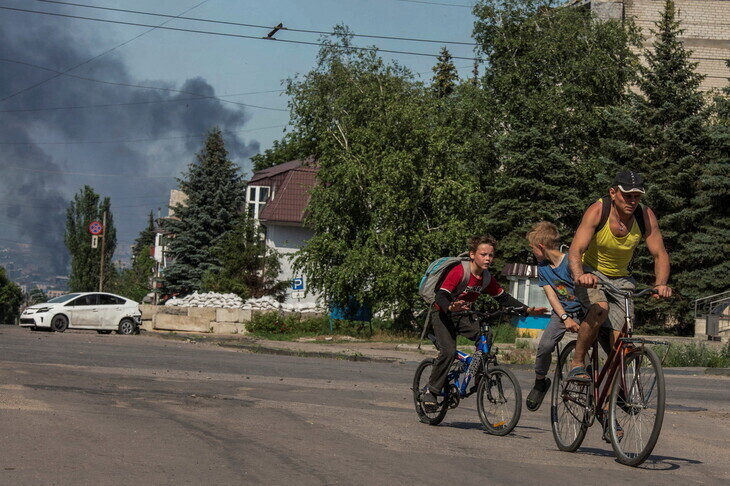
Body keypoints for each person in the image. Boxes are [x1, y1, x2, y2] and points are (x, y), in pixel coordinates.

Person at [567, 170, 672, 383]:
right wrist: (580, 275)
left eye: (637, 196)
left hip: (622, 279)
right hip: (591, 273)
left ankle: (610, 398)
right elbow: (575, 250)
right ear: (613, 193)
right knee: (599, 309)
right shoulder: (598, 211)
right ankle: (577, 363)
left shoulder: (645, 216)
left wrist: (661, 284)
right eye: (627, 195)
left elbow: (660, 254)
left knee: (622, 342)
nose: (632, 201)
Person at [422, 234, 546, 411]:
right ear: (473, 254)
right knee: (448, 351)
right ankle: (431, 392)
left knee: (485, 335)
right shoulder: (459, 271)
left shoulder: (486, 278)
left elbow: (503, 297)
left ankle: (481, 375)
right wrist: (450, 307)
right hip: (443, 313)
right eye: (483, 254)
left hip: (463, 314)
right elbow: (440, 295)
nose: (488, 258)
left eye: (491, 255)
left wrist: (527, 310)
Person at [524, 222, 585, 412]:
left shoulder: (570, 261)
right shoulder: (543, 267)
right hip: (562, 312)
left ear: (541, 247)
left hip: (584, 310)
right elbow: (552, 296)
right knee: (545, 346)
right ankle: (540, 382)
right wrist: (565, 317)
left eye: (532, 247)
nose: (532, 251)